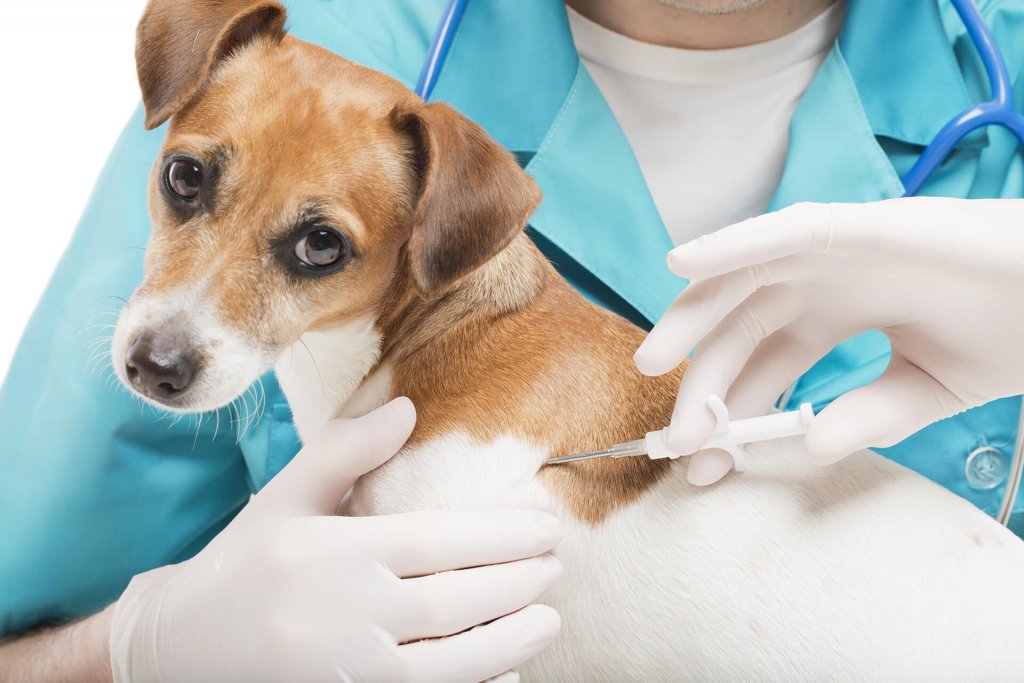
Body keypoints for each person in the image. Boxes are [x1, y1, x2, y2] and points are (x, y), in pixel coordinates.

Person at [1, 0, 1022, 679]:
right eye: (188, 184)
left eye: (317, 242)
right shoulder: (289, 59)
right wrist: (144, 645)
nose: (188, 319)